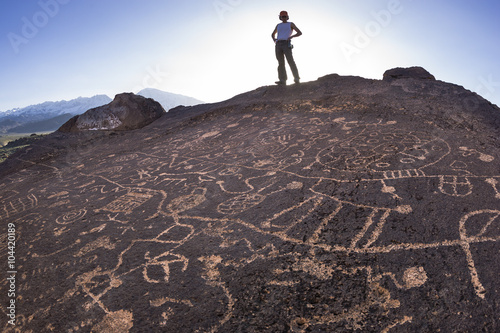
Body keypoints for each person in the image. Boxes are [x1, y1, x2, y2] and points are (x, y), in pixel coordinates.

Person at [271, 10, 302, 85]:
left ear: (287, 17)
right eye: (282, 16)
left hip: (286, 43)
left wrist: (291, 36)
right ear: (280, 17)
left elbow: (299, 32)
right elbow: (272, 34)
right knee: (280, 63)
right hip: (278, 44)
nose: (284, 17)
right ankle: (282, 80)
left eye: (285, 16)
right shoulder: (278, 25)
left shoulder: (291, 24)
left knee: (290, 61)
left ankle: (296, 78)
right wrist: (274, 40)